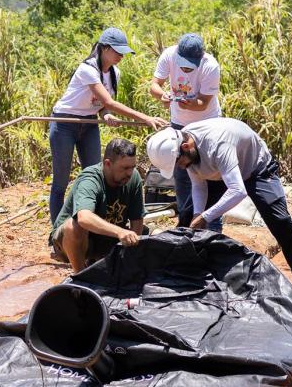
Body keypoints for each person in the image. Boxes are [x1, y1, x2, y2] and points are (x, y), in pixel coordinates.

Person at [146, 119, 292, 306]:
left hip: (257, 169)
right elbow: (199, 185)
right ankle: (193, 278)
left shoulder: (218, 144)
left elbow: (238, 191)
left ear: (186, 146)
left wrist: (205, 216)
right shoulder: (186, 147)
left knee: (281, 223)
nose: (180, 167)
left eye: (179, 162)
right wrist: (198, 214)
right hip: (219, 174)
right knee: (187, 221)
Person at [48, 28, 168, 223]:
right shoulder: (87, 69)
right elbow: (109, 102)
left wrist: (107, 115)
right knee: (60, 182)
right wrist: (145, 118)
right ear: (104, 48)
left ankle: (92, 225)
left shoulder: (114, 73)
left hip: (89, 125)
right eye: (117, 50)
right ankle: (57, 233)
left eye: (123, 51)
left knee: (96, 175)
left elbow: (104, 106)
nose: (121, 55)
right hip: (65, 123)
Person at [148, 32, 222, 232]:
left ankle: (213, 227)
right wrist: (162, 95)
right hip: (179, 125)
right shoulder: (169, 55)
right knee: (181, 174)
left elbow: (203, 102)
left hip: (208, 125)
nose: (186, 67)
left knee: (210, 174)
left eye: (191, 64)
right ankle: (185, 222)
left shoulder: (210, 66)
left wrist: (189, 104)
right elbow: (154, 85)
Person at [50, 138, 145, 272]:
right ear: (107, 164)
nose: (129, 173)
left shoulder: (133, 178)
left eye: (132, 167)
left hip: (108, 239)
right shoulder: (90, 179)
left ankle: (108, 264)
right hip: (72, 242)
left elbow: (137, 219)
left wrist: (131, 254)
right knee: (75, 226)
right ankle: (80, 276)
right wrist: (120, 232)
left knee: (152, 235)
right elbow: (84, 218)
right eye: (124, 168)